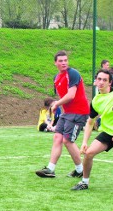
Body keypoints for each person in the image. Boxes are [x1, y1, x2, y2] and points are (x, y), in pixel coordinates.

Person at [72, 69, 113, 191]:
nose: (101, 82)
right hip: (108, 132)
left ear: (110, 83)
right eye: (99, 79)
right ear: (95, 81)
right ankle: (84, 182)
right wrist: (84, 142)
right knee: (89, 153)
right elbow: (90, 121)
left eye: (104, 80)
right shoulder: (96, 100)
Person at [35, 50, 89, 179]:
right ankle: (50, 169)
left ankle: (81, 170)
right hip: (68, 113)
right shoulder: (56, 78)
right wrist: (58, 105)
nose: (64, 63)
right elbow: (64, 95)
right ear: (55, 63)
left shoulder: (73, 73)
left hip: (79, 112)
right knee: (57, 138)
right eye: (60, 61)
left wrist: (57, 104)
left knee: (67, 140)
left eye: (65, 60)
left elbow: (71, 95)